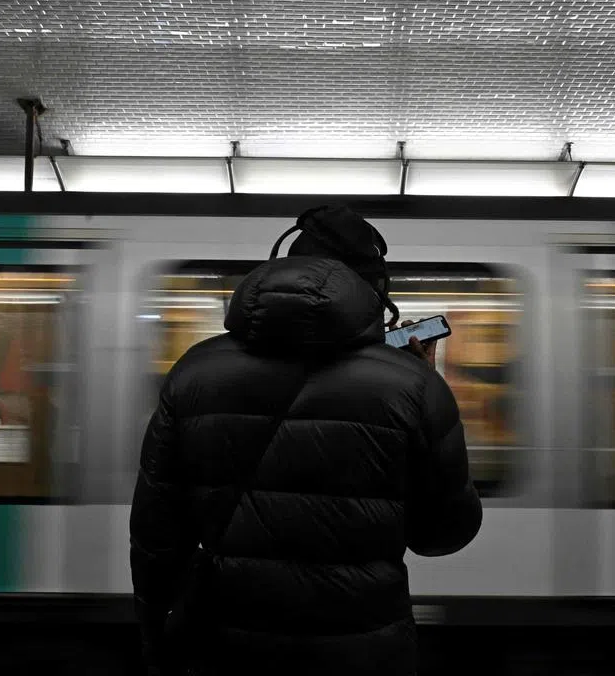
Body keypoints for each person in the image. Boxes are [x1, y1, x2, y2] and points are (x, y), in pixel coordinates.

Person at [130, 204, 482, 676]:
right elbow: (442, 534)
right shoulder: (413, 387)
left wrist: (155, 634)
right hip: (362, 650)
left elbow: (157, 533)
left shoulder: (195, 369)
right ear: (374, 289)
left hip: (227, 646)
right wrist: (423, 393)